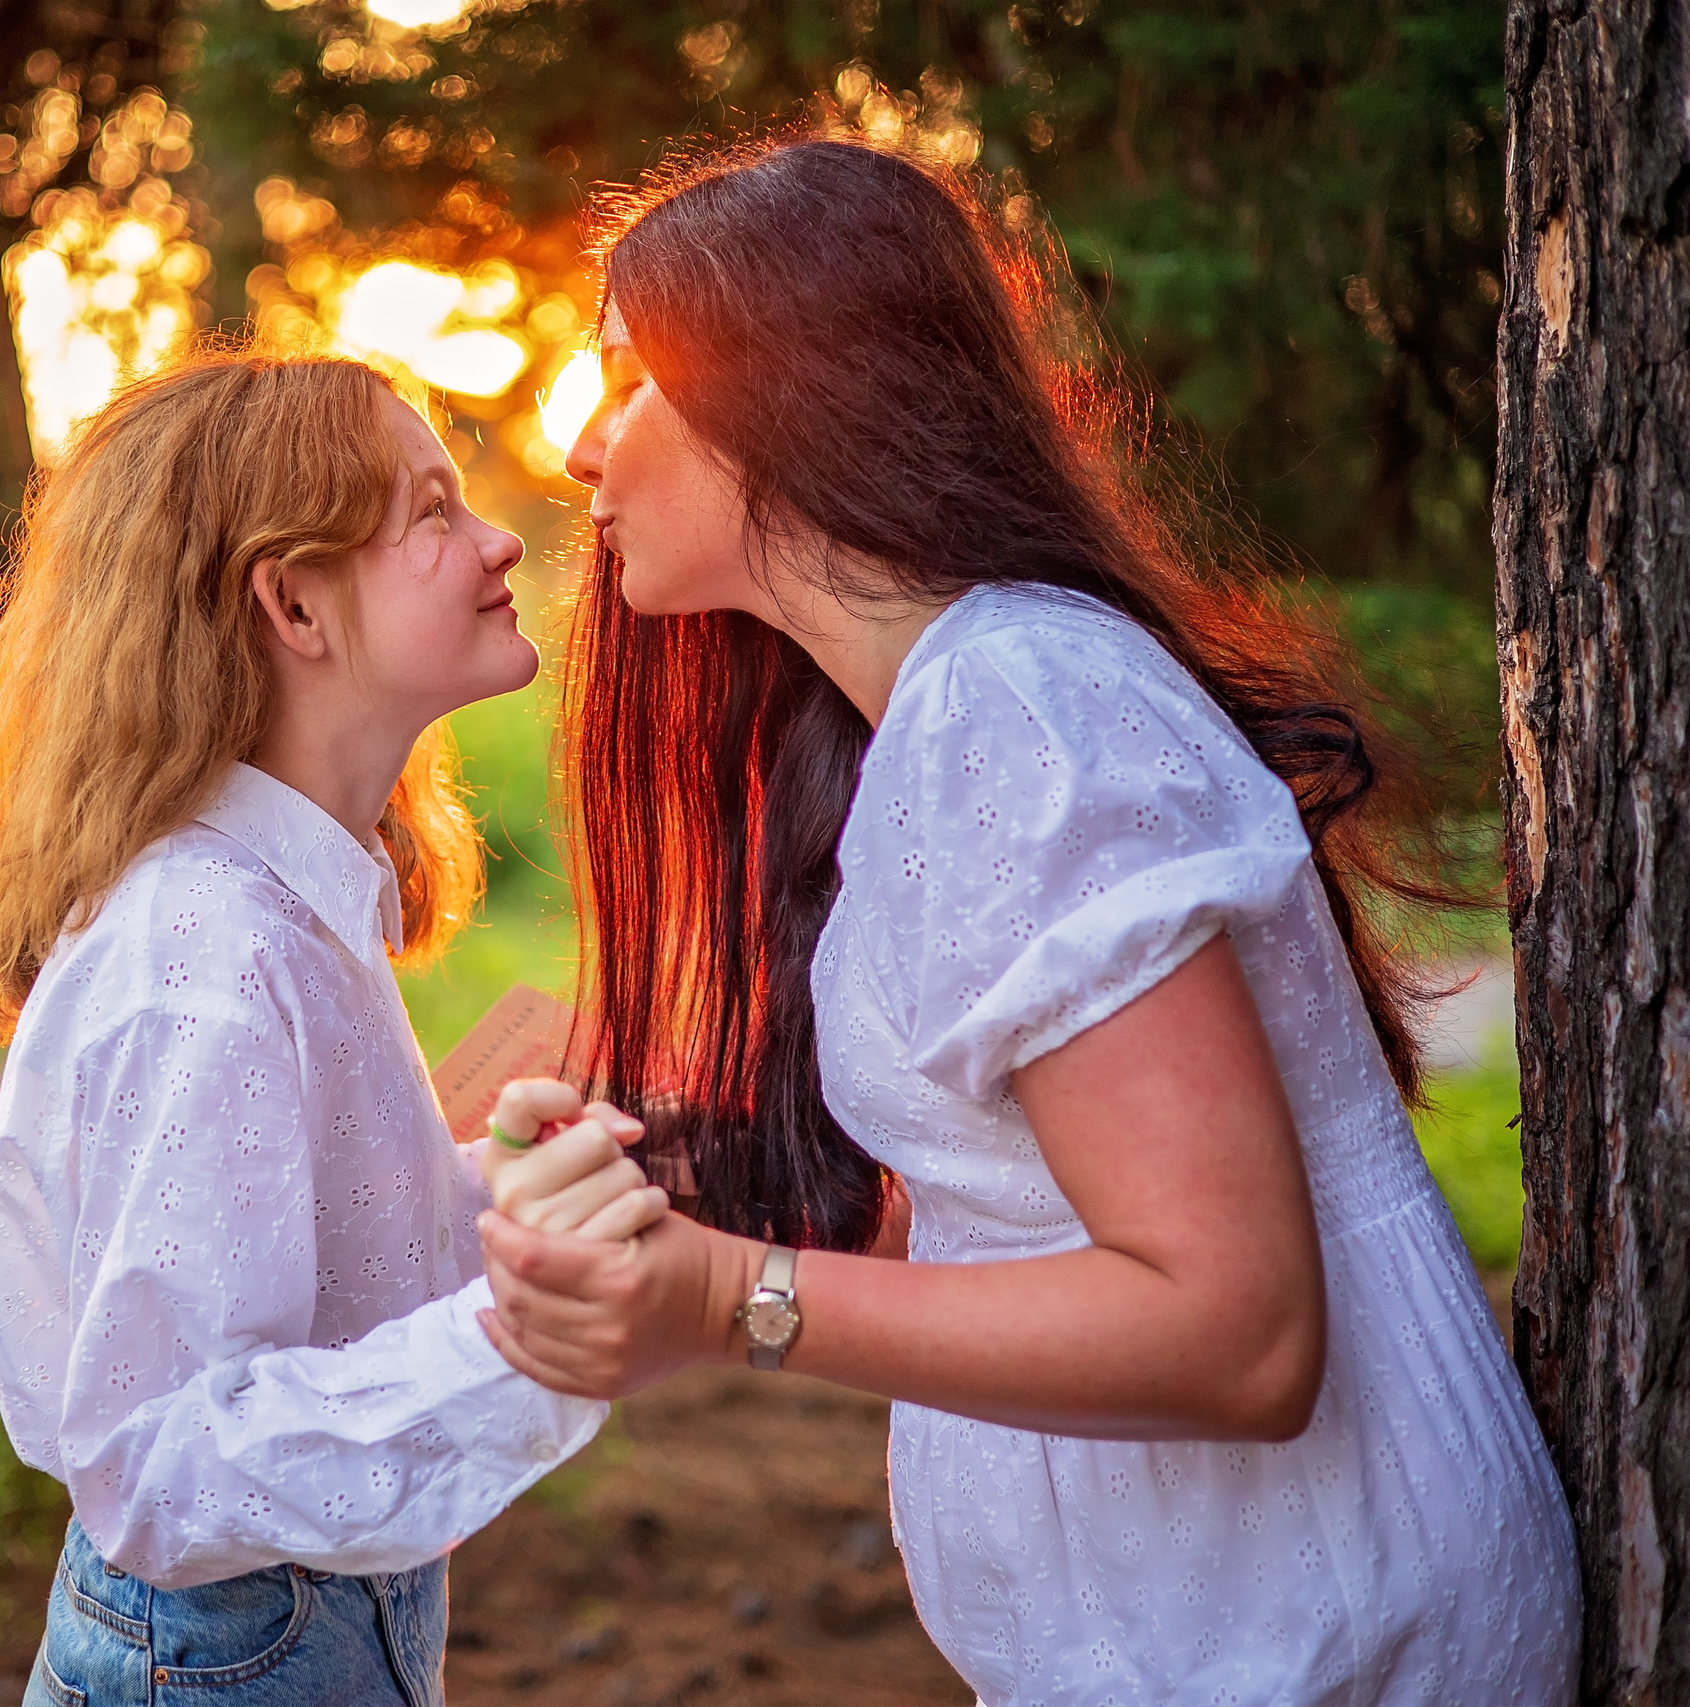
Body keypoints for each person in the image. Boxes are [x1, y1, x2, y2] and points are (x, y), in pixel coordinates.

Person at [477, 138, 1580, 1704]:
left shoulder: (1026, 708)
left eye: (622, 378)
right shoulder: (942, 716)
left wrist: (729, 1302)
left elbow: (1236, 1335)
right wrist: (679, 1181)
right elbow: (1030, 1202)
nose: (582, 453)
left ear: (782, 401)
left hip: (1309, 1643)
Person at [0, 353, 666, 1707]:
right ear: (295, 601)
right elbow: (166, 1463)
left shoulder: (285, 901)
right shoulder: (208, 953)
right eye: (431, 510)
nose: (502, 536)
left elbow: (313, 1273)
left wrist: (510, 1188)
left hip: (292, 1628)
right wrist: (536, 1326)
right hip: (231, 1658)